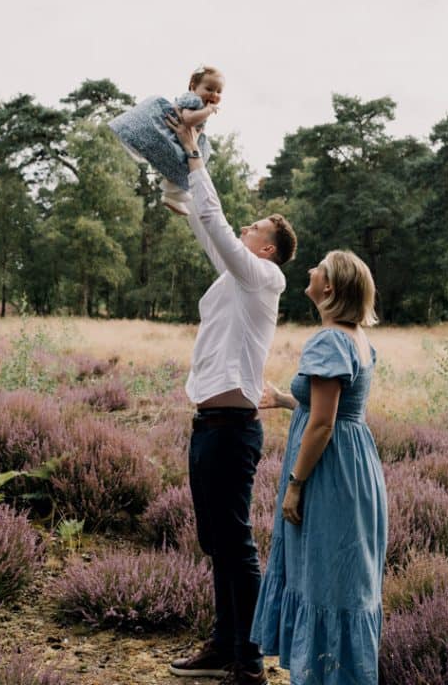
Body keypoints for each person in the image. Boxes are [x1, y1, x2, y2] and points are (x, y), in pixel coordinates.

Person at [164, 111, 297, 685]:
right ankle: (224, 645)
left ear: (266, 251)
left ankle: (251, 662)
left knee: (237, 544)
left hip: (233, 429)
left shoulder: (267, 280)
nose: (244, 229)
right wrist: (188, 175)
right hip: (207, 425)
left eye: (253, 229)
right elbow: (211, 228)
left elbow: (217, 224)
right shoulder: (235, 278)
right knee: (217, 543)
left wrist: (196, 157)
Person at [250, 250, 388, 685]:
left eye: (319, 268)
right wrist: (288, 400)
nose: (310, 270)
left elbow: (325, 423)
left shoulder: (329, 340)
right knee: (344, 578)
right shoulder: (356, 338)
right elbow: (334, 407)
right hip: (356, 469)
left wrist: (295, 485)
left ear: (329, 287)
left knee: (325, 578)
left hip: (330, 476)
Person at [107, 65, 224, 215]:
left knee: (194, 160)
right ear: (194, 87)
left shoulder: (200, 104)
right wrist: (207, 111)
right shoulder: (193, 99)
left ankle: (173, 194)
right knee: (196, 157)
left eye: (219, 91)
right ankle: (173, 194)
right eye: (209, 89)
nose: (214, 94)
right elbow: (187, 119)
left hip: (184, 138)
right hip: (172, 132)